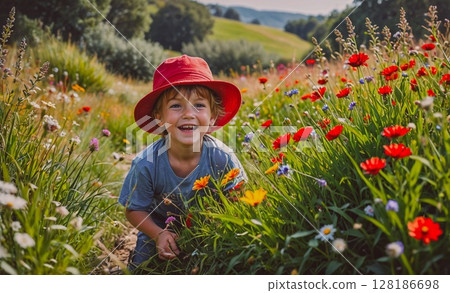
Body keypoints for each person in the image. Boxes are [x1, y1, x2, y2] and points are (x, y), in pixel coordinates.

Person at [119, 55, 247, 272]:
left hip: (210, 227)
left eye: (199, 105)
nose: (189, 114)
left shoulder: (222, 157)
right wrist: (158, 234)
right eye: (176, 106)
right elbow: (134, 209)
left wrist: (219, 226)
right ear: (159, 117)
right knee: (142, 269)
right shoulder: (146, 164)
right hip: (159, 227)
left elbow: (238, 195)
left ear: (213, 116)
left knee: (228, 265)